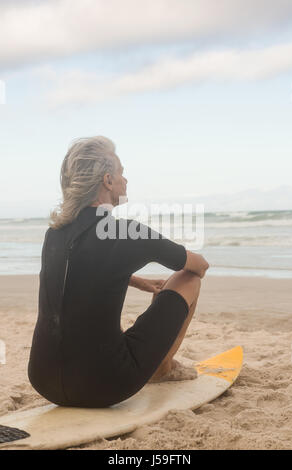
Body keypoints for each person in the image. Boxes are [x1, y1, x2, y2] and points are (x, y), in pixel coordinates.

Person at [27, 136, 209, 408]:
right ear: (108, 181)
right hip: (104, 384)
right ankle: (163, 369)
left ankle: (159, 366)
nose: (126, 180)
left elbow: (79, 271)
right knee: (188, 279)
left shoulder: (54, 234)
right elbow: (199, 265)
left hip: (44, 380)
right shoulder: (126, 231)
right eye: (122, 172)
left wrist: (135, 280)